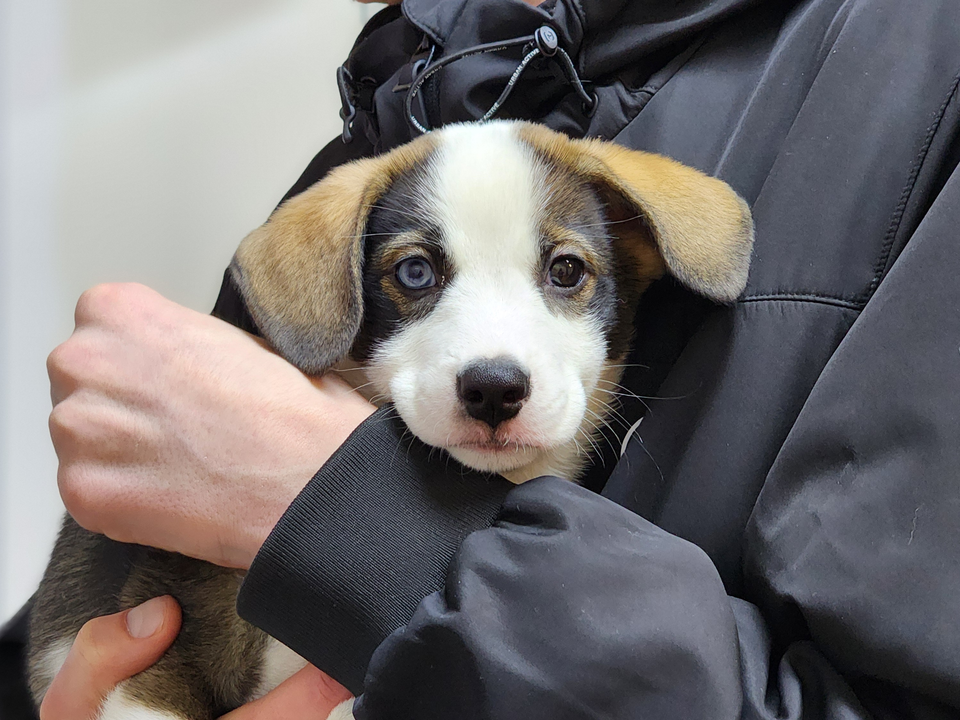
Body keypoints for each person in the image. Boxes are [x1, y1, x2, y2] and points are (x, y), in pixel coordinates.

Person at [3, 0, 960, 717]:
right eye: (416, 275)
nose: (494, 359)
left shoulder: (914, 67)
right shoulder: (407, 101)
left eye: (566, 272)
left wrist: (351, 511)